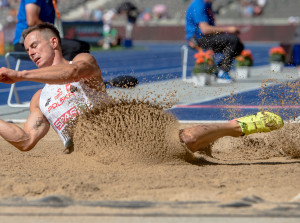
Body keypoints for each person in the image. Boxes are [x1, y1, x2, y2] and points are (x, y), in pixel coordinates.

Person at [0, 23, 284, 155]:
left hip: (123, 137)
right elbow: (25, 140)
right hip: (89, 153)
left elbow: (72, 73)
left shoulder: (83, 62)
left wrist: (21, 74)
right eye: (26, 50)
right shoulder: (39, 98)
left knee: (186, 138)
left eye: (34, 46)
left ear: (53, 43)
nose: (31, 53)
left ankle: (237, 125)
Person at [185, 0, 244, 84]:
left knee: (238, 45)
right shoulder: (199, 4)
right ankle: (222, 72)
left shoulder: (207, 4)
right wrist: (227, 29)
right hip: (197, 40)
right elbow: (205, 29)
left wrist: (227, 31)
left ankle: (220, 69)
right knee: (233, 40)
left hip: (206, 37)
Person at [13, 0, 90, 60]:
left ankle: (82, 78)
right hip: (25, 43)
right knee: (75, 47)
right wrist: (52, 30)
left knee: (84, 46)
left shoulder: (50, 2)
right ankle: (62, 77)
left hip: (43, 39)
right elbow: (32, 22)